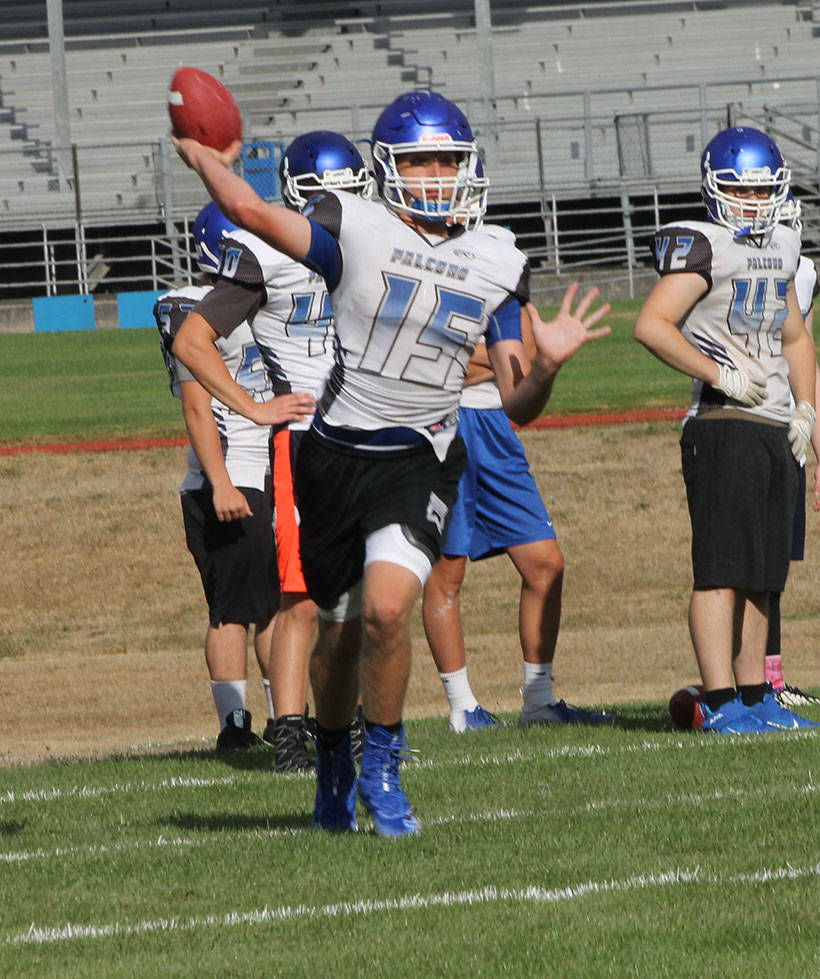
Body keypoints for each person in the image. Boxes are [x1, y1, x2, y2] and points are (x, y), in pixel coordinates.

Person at [171, 90, 610, 836]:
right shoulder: (354, 224)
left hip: (421, 456)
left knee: (384, 610)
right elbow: (249, 211)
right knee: (338, 633)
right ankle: (336, 758)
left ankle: (382, 759)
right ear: (386, 168)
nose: (438, 175)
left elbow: (517, 399)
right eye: (420, 160)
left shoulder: (499, 258)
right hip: (335, 455)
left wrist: (547, 368)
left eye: (448, 159)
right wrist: (204, 157)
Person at [172, 130, 375, 774]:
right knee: (301, 596)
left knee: (363, 598)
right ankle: (291, 732)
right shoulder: (268, 254)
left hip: (370, 434)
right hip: (305, 441)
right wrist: (257, 407)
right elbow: (193, 341)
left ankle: (353, 727)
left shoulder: (382, 243)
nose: (339, 206)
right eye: (327, 195)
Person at [633, 126, 820, 734]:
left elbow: (794, 336)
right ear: (716, 190)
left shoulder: (784, 246)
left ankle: (755, 695)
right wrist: (719, 373)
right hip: (723, 421)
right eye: (741, 191)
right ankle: (719, 701)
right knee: (721, 569)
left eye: (764, 190)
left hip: (772, 424)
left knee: (764, 573)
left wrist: (804, 408)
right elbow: (652, 324)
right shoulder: (707, 246)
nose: (753, 202)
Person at [422, 249, 614, 732]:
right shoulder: (416, 258)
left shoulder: (500, 258)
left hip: (494, 426)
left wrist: (471, 355)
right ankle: (462, 708)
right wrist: (494, 357)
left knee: (546, 563)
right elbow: (426, 363)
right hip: (438, 425)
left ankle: (538, 701)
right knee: (447, 572)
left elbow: (520, 364)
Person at [155, 201, 279, 752]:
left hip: (274, 470)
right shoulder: (187, 309)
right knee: (238, 608)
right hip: (230, 475)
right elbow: (197, 408)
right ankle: (237, 727)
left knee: (279, 601)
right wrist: (222, 481)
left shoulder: (274, 296)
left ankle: (287, 716)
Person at [765, 201, 820, 708]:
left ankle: (769, 678)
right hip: (745, 415)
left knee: (775, 569)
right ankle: (739, 682)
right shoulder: (724, 257)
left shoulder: (803, 272)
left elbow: (808, 360)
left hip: (791, 425)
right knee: (742, 564)